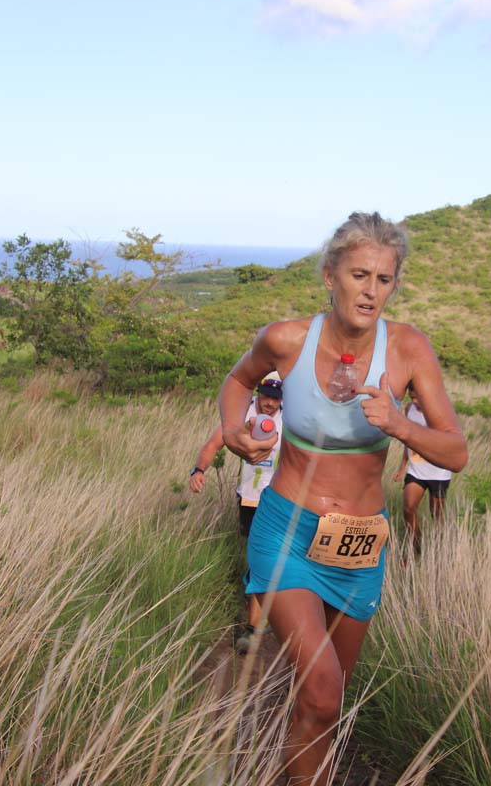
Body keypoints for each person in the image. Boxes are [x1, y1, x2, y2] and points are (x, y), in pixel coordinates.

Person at [219, 212, 467, 784]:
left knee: (324, 704)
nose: (371, 291)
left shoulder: (407, 349)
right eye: (359, 275)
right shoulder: (286, 340)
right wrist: (234, 431)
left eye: (384, 279)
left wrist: (399, 424)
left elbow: (455, 452)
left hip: (360, 546)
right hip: (289, 528)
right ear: (331, 276)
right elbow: (237, 380)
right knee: (324, 689)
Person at [189, 373, 284, 653]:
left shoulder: (290, 418)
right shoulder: (243, 413)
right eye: (266, 396)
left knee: (266, 558)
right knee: (258, 557)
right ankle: (260, 611)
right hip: (250, 498)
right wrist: (199, 470)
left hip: (280, 499)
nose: (269, 403)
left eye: (276, 398)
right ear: (258, 392)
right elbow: (213, 444)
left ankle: (254, 627)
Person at [392, 384, 453, 559]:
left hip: (438, 472)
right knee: (408, 509)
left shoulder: (438, 413)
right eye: (411, 397)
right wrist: (402, 467)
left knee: (437, 515)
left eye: (418, 397)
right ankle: (415, 549)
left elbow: (448, 441)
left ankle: (440, 553)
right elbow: (408, 440)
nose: (415, 401)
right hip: (416, 470)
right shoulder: (409, 409)